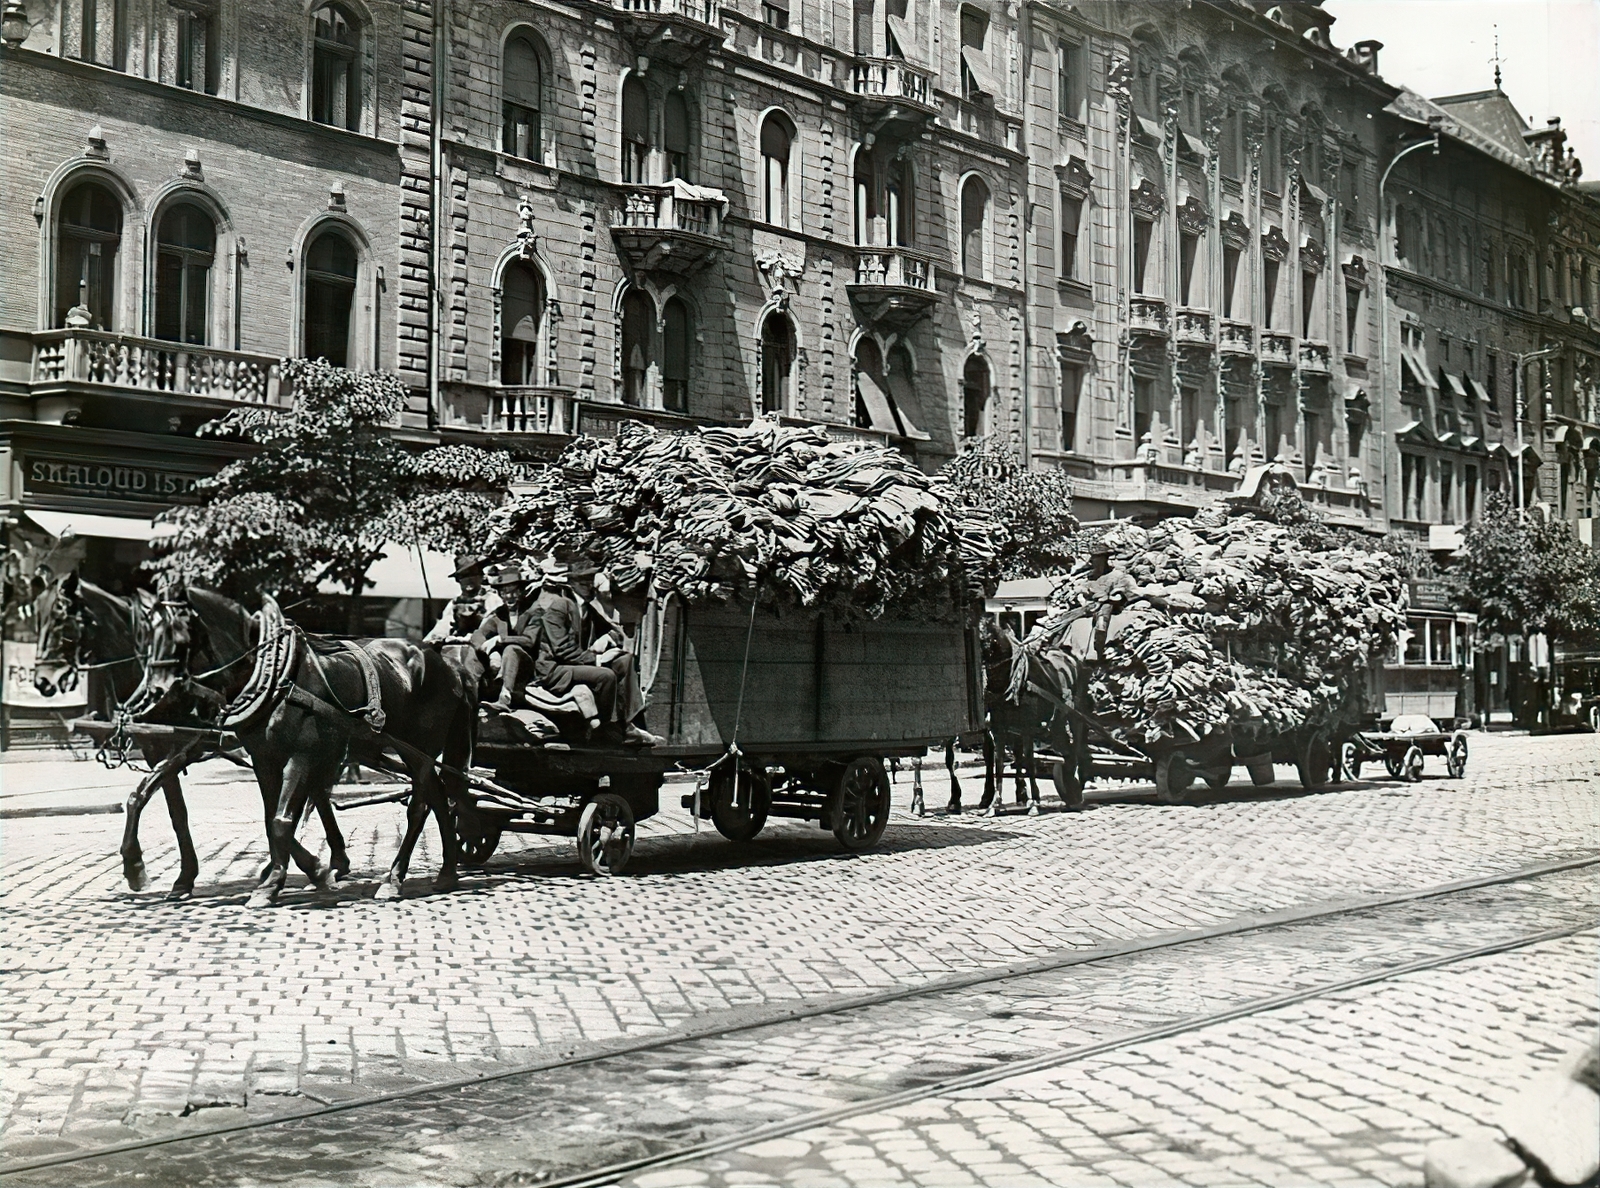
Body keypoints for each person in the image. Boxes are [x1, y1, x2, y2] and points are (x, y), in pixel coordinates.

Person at [528, 553, 657, 745]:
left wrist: (607, 638)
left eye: (590, 581)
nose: (588, 586)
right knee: (605, 675)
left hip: (576, 665)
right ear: (570, 583)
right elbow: (562, 650)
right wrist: (597, 659)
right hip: (555, 670)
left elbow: (614, 632)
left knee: (625, 660)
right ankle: (605, 727)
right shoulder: (560, 607)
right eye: (582, 582)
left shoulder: (586, 608)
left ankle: (629, 721)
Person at [472, 563, 544, 711]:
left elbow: (529, 641)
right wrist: (491, 653)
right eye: (504, 592)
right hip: (504, 665)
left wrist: (500, 640)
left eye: (514, 591)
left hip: (530, 667)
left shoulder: (534, 611)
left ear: (521, 591)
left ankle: (505, 697)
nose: (509, 596)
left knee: (511, 649)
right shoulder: (500, 614)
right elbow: (478, 634)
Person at [423, 554, 499, 646]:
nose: (469, 580)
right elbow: (444, 626)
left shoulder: (492, 600)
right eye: (464, 576)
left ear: (481, 576)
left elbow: (494, 627)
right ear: (458, 580)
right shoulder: (454, 603)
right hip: (457, 645)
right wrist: (432, 639)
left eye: (473, 574)